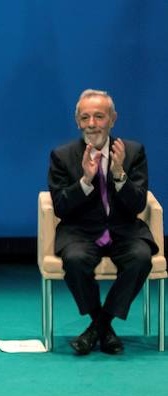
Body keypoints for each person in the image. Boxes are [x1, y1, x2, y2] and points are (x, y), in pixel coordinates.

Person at [48, 89, 155, 356]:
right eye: (85, 117)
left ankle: (97, 327)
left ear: (113, 119)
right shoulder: (61, 156)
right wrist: (85, 181)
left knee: (141, 257)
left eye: (99, 116)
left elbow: (138, 204)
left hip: (124, 231)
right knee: (74, 259)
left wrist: (119, 175)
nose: (92, 124)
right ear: (77, 121)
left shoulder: (132, 152)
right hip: (80, 232)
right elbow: (60, 206)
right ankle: (104, 328)